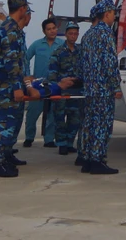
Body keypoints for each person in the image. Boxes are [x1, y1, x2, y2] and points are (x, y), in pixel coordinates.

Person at [0, 0, 32, 177]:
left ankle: (4, 158)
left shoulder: (9, 27)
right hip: (6, 86)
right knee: (2, 123)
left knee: (8, 124)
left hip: (7, 84)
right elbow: (11, 61)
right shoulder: (10, 29)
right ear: (22, 9)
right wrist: (16, 86)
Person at [78, 0, 122, 175]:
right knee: (102, 125)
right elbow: (110, 62)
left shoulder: (87, 35)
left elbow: (81, 64)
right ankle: (98, 160)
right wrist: (116, 86)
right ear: (106, 14)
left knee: (89, 124)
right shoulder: (105, 33)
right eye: (113, 13)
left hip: (89, 89)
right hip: (103, 89)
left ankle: (87, 159)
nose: (114, 16)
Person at [21, 18, 64, 148]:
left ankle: (49, 139)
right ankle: (29, 137)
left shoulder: (62, 45)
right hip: (38, 85)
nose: (52, 31)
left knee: (52, 113)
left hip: (54, 85)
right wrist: (28, 75)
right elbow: (25, 59)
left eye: (54, 28)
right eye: (49, 29)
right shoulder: (37, 44)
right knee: (33, 112)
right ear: (44, 31)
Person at [47, 21, 83, 155]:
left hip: (77, 92)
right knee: (60, 119)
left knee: (75, 119)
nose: (73, 36)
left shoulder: (81, 52)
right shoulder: (58, 52)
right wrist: (57, 85)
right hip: (62, 92)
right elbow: (52, 73)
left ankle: (69, 143)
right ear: (66, 34)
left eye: (75, 33)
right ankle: (61, 144)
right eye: (70, 33)